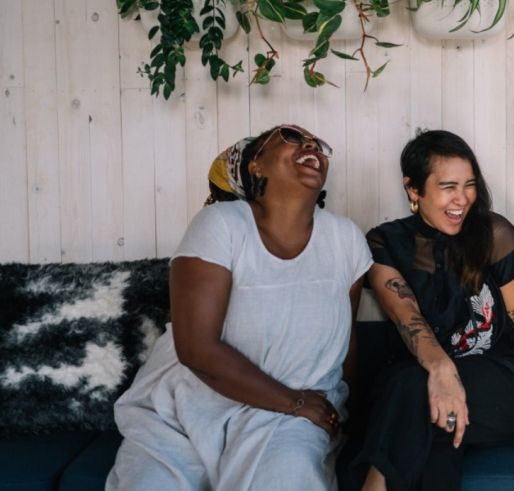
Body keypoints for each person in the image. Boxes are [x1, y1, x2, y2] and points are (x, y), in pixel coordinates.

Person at [107, 124, 373, 490]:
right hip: (189, 407)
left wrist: (348, 417)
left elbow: (345, 342)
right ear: (256, 165)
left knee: (287, 477)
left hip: (291, 419)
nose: (310, 144)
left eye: (317, 142)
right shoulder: (220, 225)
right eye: (291, 137)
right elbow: (196, 348)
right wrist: (293, 401)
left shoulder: (346, 239)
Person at [352, 130, 514, 491]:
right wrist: (442, 370)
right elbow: (407, 317)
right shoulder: (385, 243)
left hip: (502, 384)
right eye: (448, 186)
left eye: (469, 185)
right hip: (420, 381)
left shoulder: (496, 234)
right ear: (413, 189)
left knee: (412, 391)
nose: (463, 199)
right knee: (431, 417)